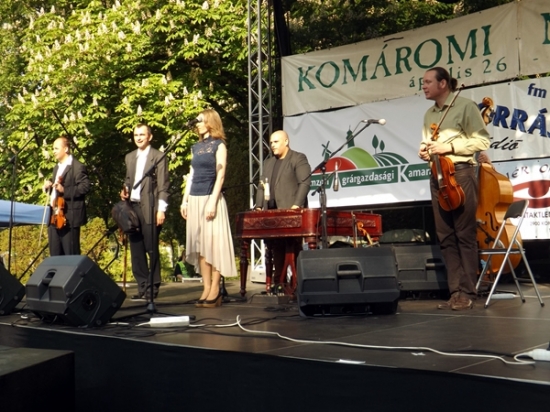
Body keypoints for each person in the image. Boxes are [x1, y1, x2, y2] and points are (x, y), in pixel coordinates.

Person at [418, 67, 490, 311]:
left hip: (460, 173)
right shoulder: (429, 114)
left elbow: (482, 140)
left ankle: (468, 293)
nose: (424, 86)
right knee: (445, 235)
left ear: (443, 84)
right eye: (423, 82)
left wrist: (448, 148)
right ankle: (455, 292)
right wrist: (424, 152)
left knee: (464, 234)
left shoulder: (466, 106)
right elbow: (427, 144)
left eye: (428, 82)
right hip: (437, 174)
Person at [180, 109, 237, 308]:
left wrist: (212, 201)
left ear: (210, 122)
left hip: (211, 197)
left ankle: (215, 288)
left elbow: (220, 175)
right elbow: (191, 175)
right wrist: (185, 200)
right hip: (195, 198)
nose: (197, 124)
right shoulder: (195, 147)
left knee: (213, 245)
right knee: (201, 247)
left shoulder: (219, 145)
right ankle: (206, 288)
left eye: (201, 121)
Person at [254, 130, 311, 287]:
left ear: (286, 141)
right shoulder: (268, 163)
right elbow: (261, 186)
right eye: (271, 142)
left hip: (292, 212)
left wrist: (296, 205)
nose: (272, 145)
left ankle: (299, 284)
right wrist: (258, 206)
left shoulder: (298, 158)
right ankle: (279, 283)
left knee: (294, 249)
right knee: (276, 249)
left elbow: (305, 183)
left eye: (276, 142)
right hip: (272, 213)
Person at [121, 124, 169, 301]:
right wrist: (125, 189)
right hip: (132, 208)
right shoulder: (129, 157)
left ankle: (153, 286)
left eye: (142, 134)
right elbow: (128, 180)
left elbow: (163, 185)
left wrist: (161, 210)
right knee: (136, 250)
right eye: (136, 135)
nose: (139, 138)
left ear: (150, 136)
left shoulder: (158, 156)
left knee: (151, 248)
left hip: (150, 208)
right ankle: (142, 286)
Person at [43, 136, 90, 256]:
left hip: (69, 218)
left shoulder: (78, 167)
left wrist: (65, 190)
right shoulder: (56, 168)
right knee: (55, 255)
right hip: (54, 217)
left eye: (56, 148)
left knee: (70, 256)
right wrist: (48, 186)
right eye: (53, 149)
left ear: (66, 149)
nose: (53, 151)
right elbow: (56, 190)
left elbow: (84, 187)